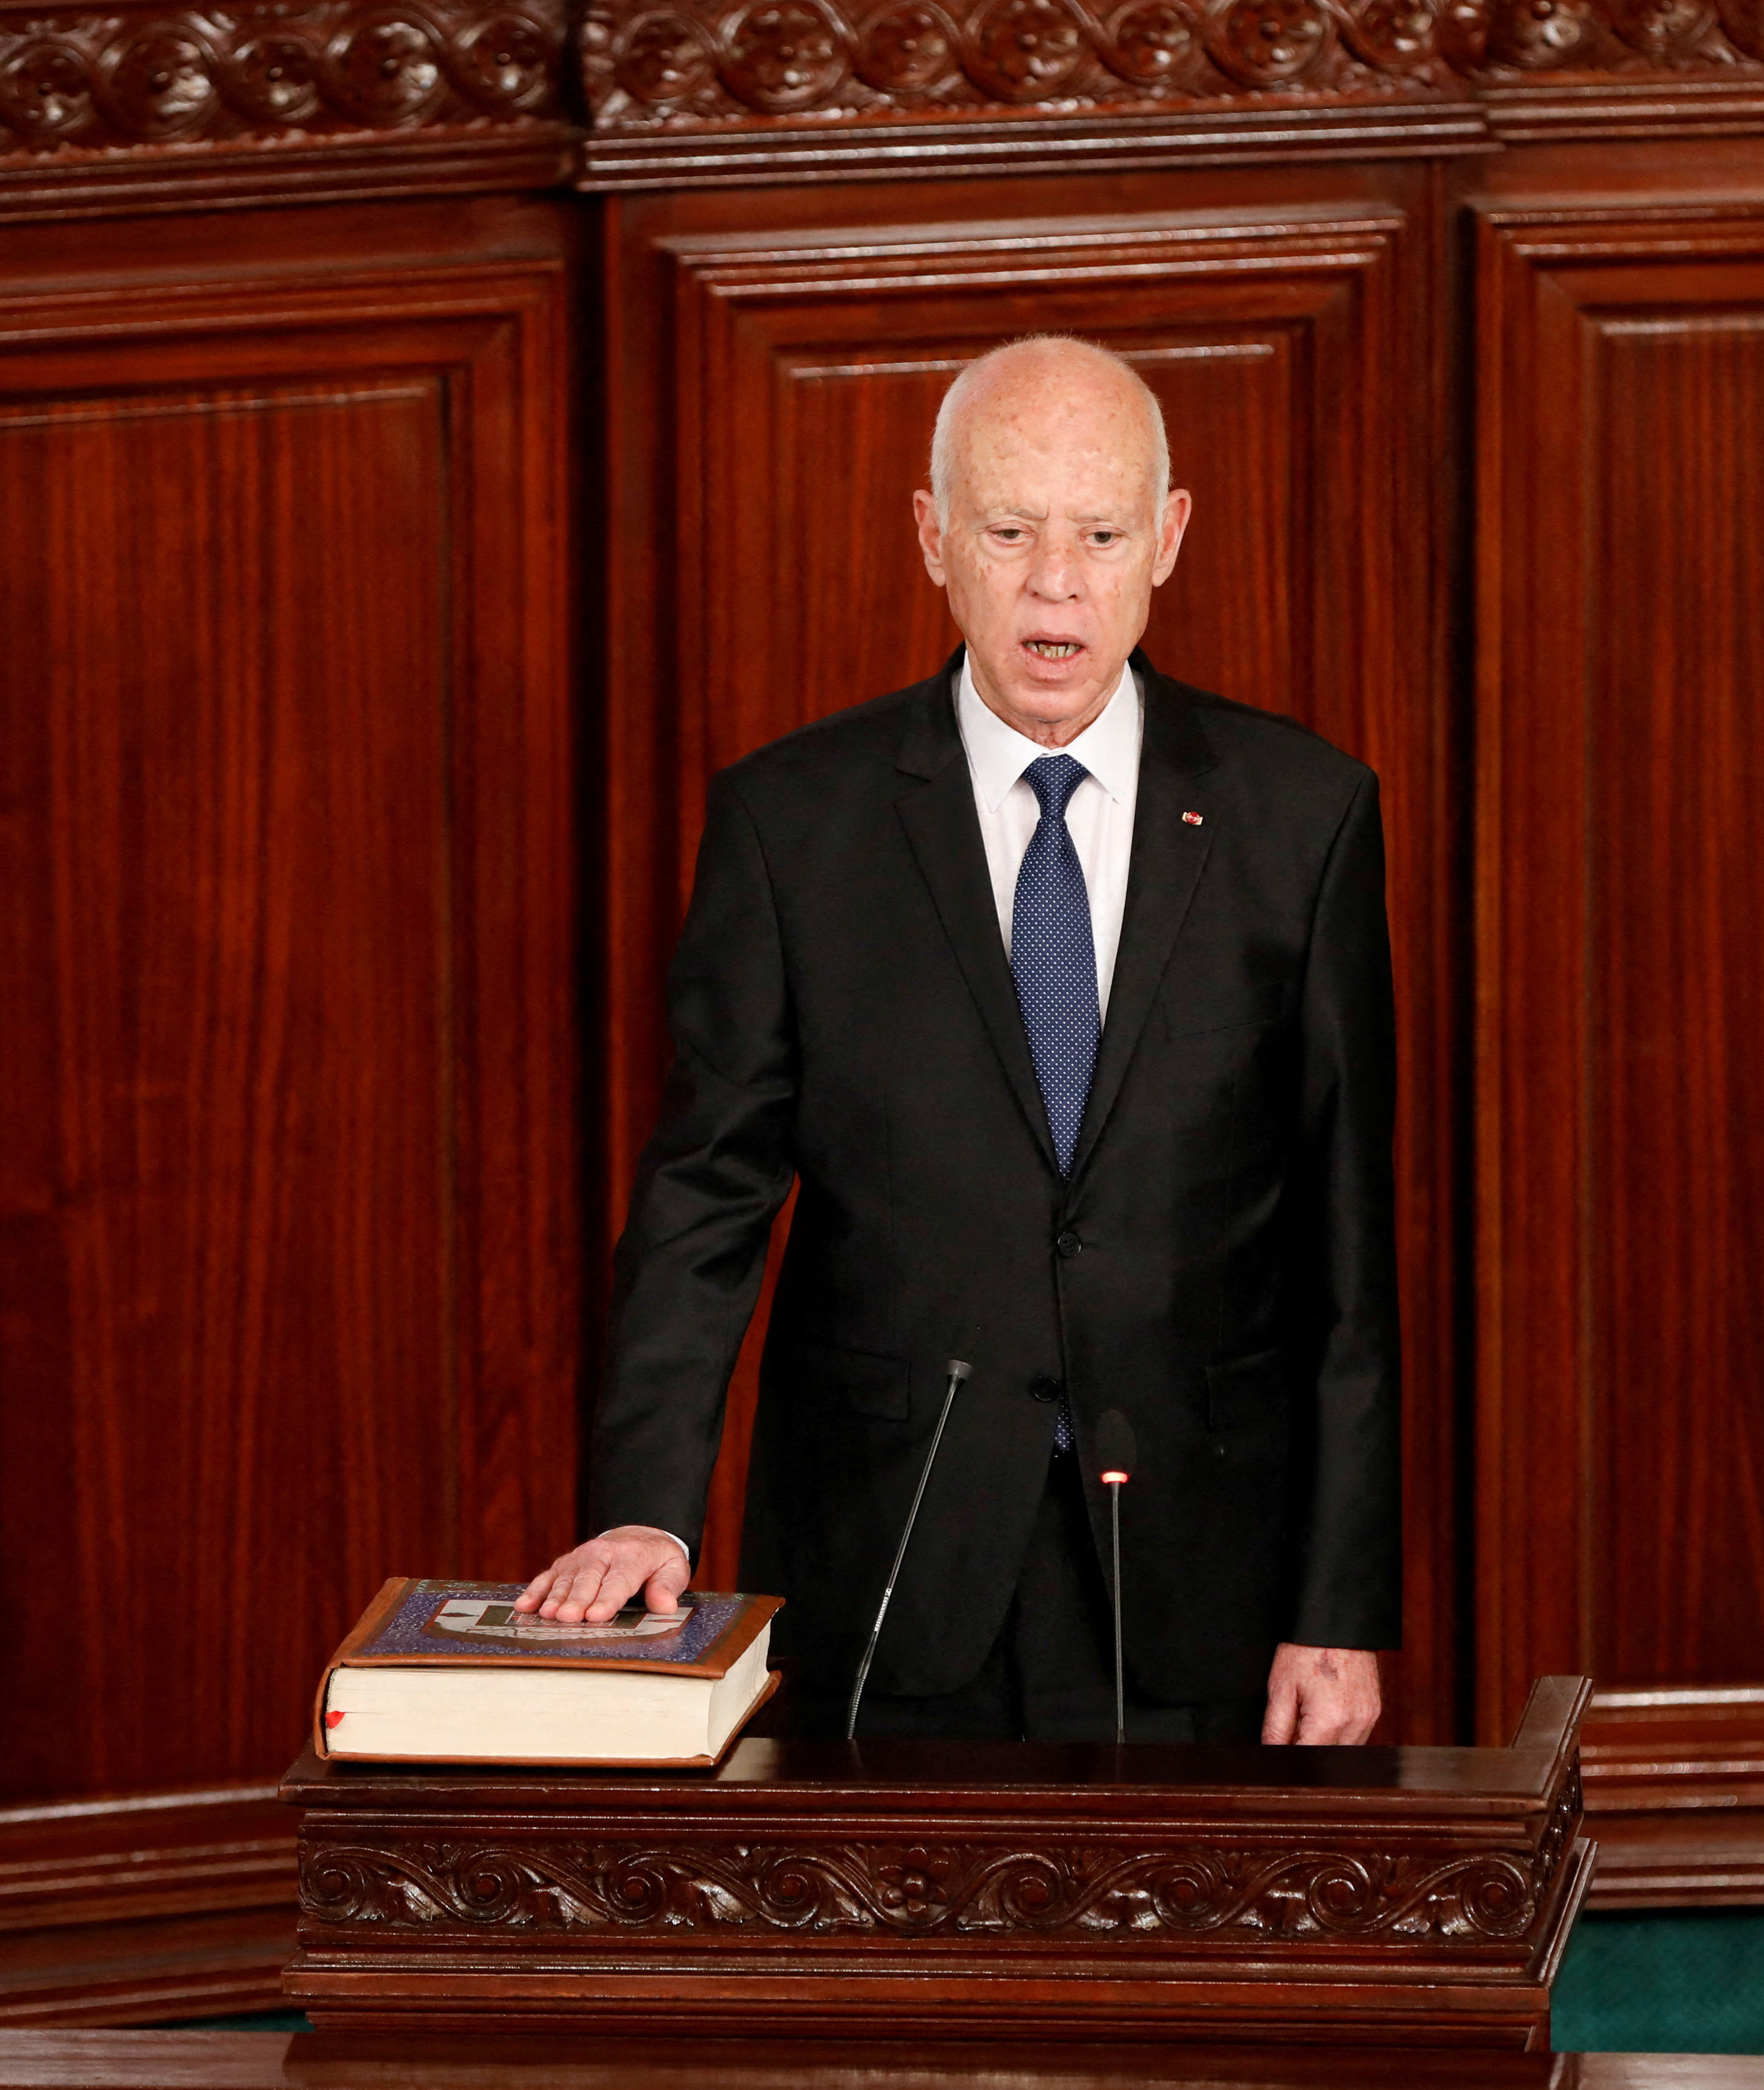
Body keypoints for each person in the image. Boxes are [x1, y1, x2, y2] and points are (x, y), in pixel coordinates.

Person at [516, 336, 1396, 1744]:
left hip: (1202, 1564)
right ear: (932, 538)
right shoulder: (790, 826)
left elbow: (1345, 1250)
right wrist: (644, 1509)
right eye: (1007, 531)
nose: (1056, 582)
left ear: (1165, 538)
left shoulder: (1301, 818)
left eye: (1099, 533)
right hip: (887, 1549)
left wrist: (1338, 1602)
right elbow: (704, 1194)